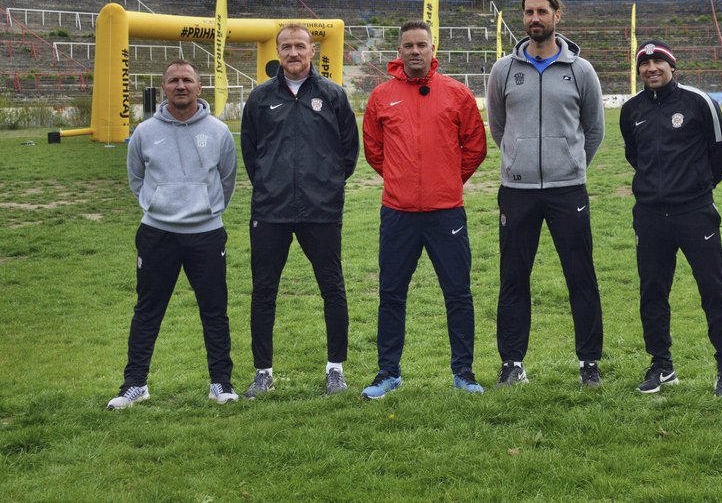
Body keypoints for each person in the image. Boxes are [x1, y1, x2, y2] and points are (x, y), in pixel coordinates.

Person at [485, 0, 606, 387]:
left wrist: (569, 165)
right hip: (516, 192)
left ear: (558, 16)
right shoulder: (503, 70)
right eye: (528, 12)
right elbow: (499, 128)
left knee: (580, 276)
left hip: (566, 189)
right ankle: (512, 362)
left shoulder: (580, 70)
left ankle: (589, 363)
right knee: (513, 277)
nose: (535, 19)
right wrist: (519, 160)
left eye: (542, 11)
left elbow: (594, 129)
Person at [360, 21, 488, 399]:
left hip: (445, 211)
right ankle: (388, 372)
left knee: (458, 292)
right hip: (398, 213)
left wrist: (445, 179)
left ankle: (463, 372)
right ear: (398, 52)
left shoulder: (457, 94)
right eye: (407, 45)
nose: (415, 51)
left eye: (421, 45)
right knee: (391, 292)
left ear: (434, 49)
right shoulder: (382, 97)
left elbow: (475, 147)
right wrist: (402, 180)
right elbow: (374, 151)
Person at [108, 59, 238, 409]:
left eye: (187, 80)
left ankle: (220, 383)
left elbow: (227, 180)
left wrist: (204, 210)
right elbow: (137, 178)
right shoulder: (145, 132)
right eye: (173, 81)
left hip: (206, 235)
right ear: (162, 89)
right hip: (157, 234)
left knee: (214, 311)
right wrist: (158, 203)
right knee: (148, 310)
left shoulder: (218, 131)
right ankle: (135, 384)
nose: (180, 86)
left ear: (199, 87)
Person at [240, 23, 360, 398]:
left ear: (313, 51)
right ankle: (263, 372)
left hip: (320, 211)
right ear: (277, 52)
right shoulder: (260, 98)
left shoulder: (334, 95)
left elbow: (348, 152)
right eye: (286, 47)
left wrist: (326, 186)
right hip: (271, 211)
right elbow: (250, 153)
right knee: (263, 292)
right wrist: (270, 185)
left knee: (332, 288)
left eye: (300, 46)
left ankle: (335, 369)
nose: (293, 53)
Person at [620, 40, 722, 395]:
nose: (651, 68)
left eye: (659, 62)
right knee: (652, 291)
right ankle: (661, 364)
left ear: (673, 66)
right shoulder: (631, 110)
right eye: (644, 63)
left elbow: (720, 155)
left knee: (713, 289)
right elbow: (634, 155)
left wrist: (695, 188)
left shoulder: (698, 102)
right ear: (638, 70)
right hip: (650, 216)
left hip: (695, 212)